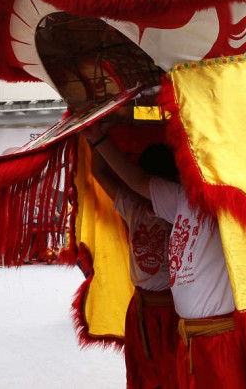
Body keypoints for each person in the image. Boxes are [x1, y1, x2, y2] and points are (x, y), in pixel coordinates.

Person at [89, 132, 246, 388]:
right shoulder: (182, 197)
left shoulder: (230, 206)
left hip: (223, 340)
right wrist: (98, 138)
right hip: (188, 337)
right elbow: (137, 180)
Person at [84, 127, 179, 389]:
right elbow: (98, 172)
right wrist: (102, 131)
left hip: (175, 310)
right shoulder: (133, 205)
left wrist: (99, 136)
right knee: (143, 376)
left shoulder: (181, 208)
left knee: (174, 377)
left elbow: (101, 173)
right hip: (141, 308)